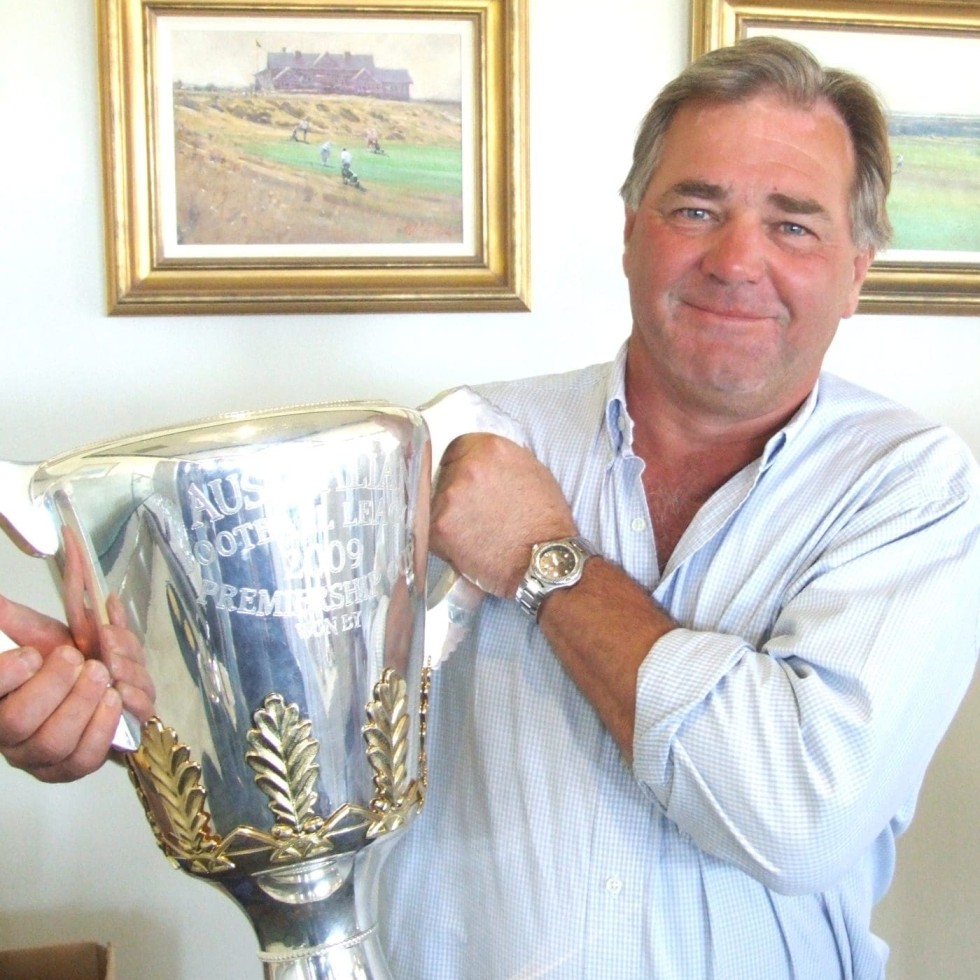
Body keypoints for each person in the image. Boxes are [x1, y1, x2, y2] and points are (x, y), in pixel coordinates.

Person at [0, 35, 978, 978]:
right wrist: (117, 713)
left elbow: (795, 811)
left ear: (857, 269)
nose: (734, 257)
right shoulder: (464, 437)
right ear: (631, 229)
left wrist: (544, 559)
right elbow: (298, 712)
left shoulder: (913, 487)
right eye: (693, 207)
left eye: (793, 224)